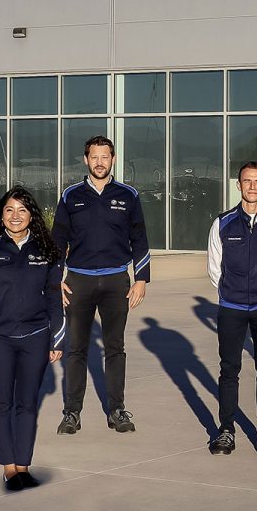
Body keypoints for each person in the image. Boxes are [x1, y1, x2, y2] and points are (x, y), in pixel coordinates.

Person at [0, 187, 66, 489]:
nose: (15, 216)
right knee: (1, 404)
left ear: (31, 215)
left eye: (22, 210)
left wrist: (57, 340)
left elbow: (53, 298)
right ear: (1, 215)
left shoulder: (46, 251)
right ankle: (8, 466)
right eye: (9, 210)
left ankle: (23, 465)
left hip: (35, 338)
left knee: (26, 404)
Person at [52, 135, 151, 435]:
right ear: (85, 160)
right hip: (78, 281)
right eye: (94, 156)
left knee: (115, 348)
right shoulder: (71, 196)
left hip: (115, 281)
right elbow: (58, 241)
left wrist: (142, 279)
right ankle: (72, 413)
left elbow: (140, 239)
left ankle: (117, 410)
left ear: (113, 159)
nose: (99, 162)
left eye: (104, 156)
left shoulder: (128, 195)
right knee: (75, 348)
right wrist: (55, 279)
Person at [206, 162, 257, 456]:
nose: (252, 186)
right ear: (238, 185)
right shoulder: (223, 223)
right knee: (229, 369)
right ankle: (226, 431)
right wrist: (234, 291)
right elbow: (215, 269)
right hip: (231, 307)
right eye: (247, 181)